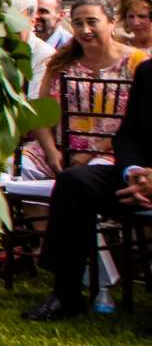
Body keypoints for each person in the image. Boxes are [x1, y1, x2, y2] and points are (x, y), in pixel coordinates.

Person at [32, 45, 152, 322]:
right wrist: (134, 172)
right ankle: (65, 294)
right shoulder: (147, 72)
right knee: (74, 182)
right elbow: (128, 135)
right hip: (138, 177)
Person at [20, 0, 143, 180]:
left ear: (112, 22)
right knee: (27, 167)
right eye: (78, 23)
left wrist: (90, 152)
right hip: (60, 147)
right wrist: (51, 151)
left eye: (92, 22)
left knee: (90, 176)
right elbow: (40, 112)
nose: (85, 30)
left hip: (110, 150)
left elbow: (137, 123)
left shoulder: (135, 63)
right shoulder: (60, 62)